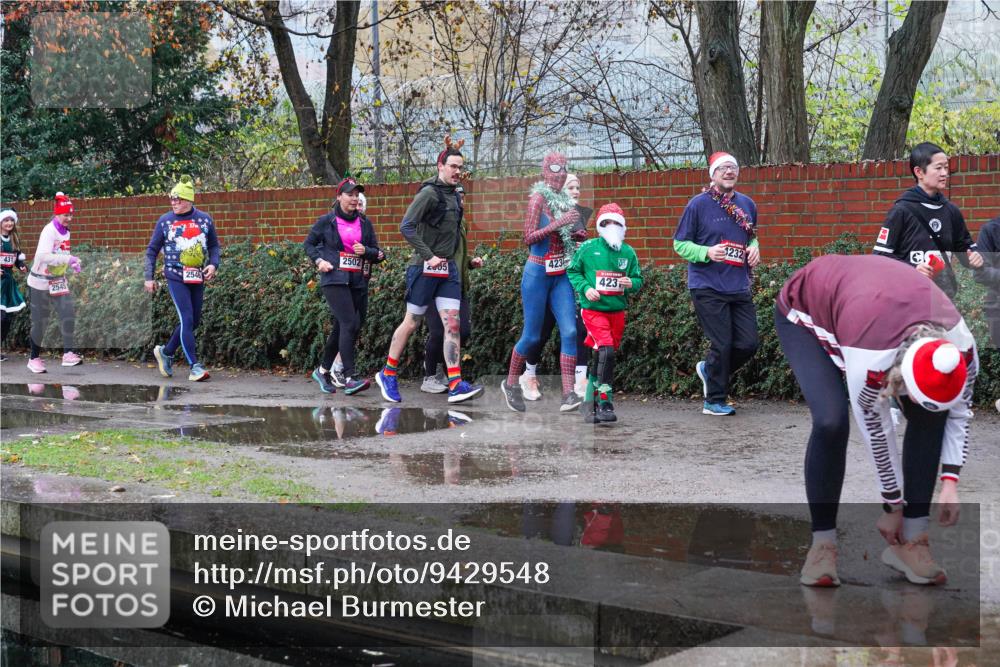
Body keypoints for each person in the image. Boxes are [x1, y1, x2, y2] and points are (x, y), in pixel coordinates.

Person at [776, 255, 976, 588]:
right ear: (898, 376)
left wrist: (951, 482)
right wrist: (892, 505)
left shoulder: (962, 350)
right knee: (831, 421)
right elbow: (876, 430)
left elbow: (959, 411)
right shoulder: (872, 357)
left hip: (875, 302)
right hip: (806, 311)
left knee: (931, 414)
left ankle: (913, 542)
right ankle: (822, 545)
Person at [374, 138, 483, 404]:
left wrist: (465, 262)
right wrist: (429, 256)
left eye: (460, 167)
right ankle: (388, 373)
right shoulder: (429, 193)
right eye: (453, 166)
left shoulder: (454, 196)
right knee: (411, 322)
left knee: (453, 324)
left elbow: (451, 238)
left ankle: (455, 382)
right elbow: (406, 226)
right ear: (440, 166)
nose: (457, 171)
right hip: (424, 268)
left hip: (449, 270)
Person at [673, 151, 760, 416]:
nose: (729, 172)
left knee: (748, 344)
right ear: (713, 175)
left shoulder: (747, 204)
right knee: (722, 344)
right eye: (723, 168)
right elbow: (679, 244)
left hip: (738, 284)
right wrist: (706, 252)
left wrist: (755, 248)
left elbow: (751, 236)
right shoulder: (698, 205)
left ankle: (709, 370)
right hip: (707, 285)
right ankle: (713, 401)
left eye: (733, 167)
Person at [500, 152, 583, 413]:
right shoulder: (538, 198)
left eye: (563, 169)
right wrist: (558, 224)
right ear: (545, 172)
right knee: (532, 336)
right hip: (537, 272)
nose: (560, 174)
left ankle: (568, 393)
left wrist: (577, 232)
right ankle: (511, 383)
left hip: (560, 274)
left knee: (570, 331)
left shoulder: (565, 201)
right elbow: (528, 237)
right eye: (555, 169)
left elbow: (568, 234)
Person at [303, 178, 384, 395]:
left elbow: (376, 252)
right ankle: (349, 377)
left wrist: (365, 251)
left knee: (345, 326)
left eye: (357, 195)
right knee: (349, 322)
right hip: (334, 278)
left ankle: (322, 370)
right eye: (350, 194)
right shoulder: (326, 221)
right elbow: (309, 244)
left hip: (357, 280)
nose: (354, 198)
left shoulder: (365, 223)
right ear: (339, 197)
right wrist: (319, 261)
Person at [873, 142, 984, 299]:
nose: (944, 173)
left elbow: (965, 250)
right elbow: (880, 257)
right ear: (919, 172)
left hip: (943, 298)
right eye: (938, 168)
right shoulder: (901, 211)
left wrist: (975, 257)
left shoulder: (951, 211)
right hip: (908, 298)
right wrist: (913, 268)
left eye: (946, 167)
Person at [567, 203, 643, 423]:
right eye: (606, 222)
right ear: (600, 225)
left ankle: (588, 404)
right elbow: (573, 271)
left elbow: (638, 279)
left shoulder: (628, 252)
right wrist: (585, 288)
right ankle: (605, 402)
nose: (611, 226)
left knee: (602, 355)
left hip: (617, 311)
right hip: (593, 311)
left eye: (616, 223)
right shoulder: (588, 248)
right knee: (606, 351)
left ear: (622, 226)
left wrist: (631, 283)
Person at [519, 173, 592, 400]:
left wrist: (581, 245)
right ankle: (529, 374)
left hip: (570, 280)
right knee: (541, 330)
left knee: (577, 328)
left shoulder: (578, 213)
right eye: (571, 187)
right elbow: (532, 241)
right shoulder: (545, 209)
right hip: (545, 279)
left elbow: (578, 246)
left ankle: (579, 379)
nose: (576, 191)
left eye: (578, 187)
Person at [144, 176, 220, 382]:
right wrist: (148, 277)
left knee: (194, 321)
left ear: (189, 200)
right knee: (186, 319)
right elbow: (152, 250)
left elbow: (214, 246)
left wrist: (213, 264)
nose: (174, 202)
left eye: (178, 199)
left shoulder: (204, 219)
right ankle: (195, 366)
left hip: (196, 276)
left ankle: (166, 352)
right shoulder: (165, 221)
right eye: (172, 199)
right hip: (175, 275)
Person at [418, 176, 484, 394]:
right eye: (457, 197)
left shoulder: (461, 223)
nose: (460, 201)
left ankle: (451, 376)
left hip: (457, 284)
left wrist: (470, 262)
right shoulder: (435, 218)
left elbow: (457, 255)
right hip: (434, 281)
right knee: (438, 331)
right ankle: (431, 375)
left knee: (462, 331)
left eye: (463, 198)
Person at [26, 193, 83, 373]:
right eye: (66, 215)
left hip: (57, 280)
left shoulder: (66, 231)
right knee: (40, 322)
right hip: (39, 282)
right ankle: (34, 358)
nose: (69, 218)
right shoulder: (49, 231)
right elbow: (43, 256)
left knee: (68, 313)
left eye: (71, 215)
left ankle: (68, 354)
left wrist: (72, 262)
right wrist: (67, 259)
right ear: (57, 214)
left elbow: (61, 253)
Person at [1, 209, 28, 361]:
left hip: (8, 284)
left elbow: (16, 259)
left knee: (7, 319)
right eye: (6, 220)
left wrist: (22, 266)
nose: (9, 223)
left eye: (11, 220)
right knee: (1, 317)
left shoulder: (14, 240)